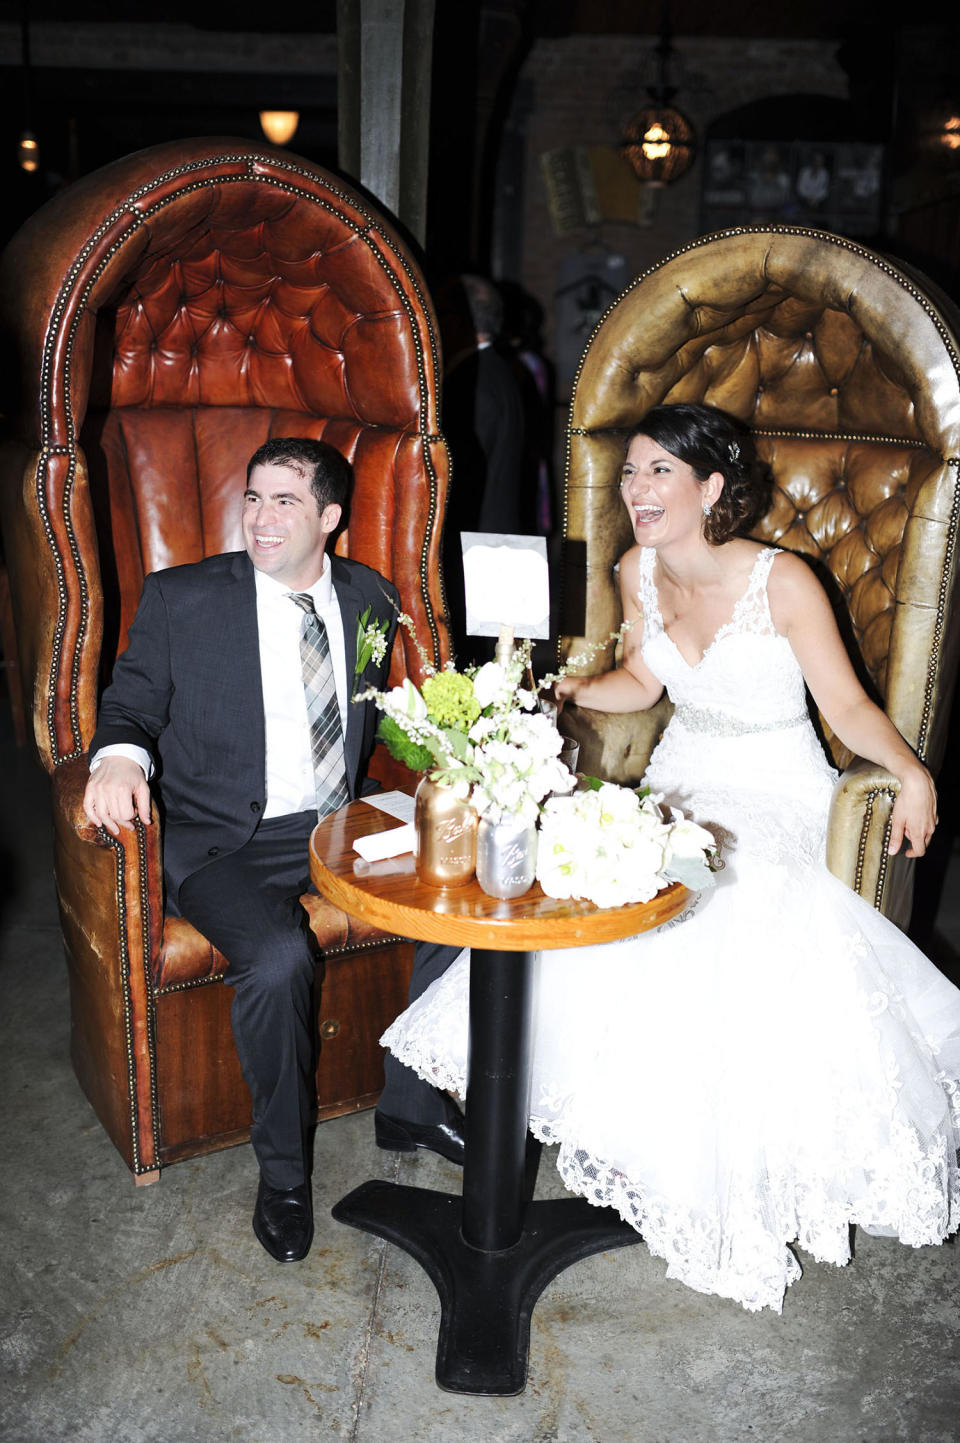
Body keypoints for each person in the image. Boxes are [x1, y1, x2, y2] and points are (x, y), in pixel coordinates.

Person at [381, 403, 960, 1313]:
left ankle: (713, 1175)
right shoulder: (632, 570)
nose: (636, 490)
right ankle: (628, 1136)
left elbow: (845, 710)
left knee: (721, 909)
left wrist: (912, 773)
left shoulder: (785, 581)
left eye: (659, 473)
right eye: (631, 474)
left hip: (775, 790)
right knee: (592, 892)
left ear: (711, 488)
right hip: (681, 778)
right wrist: (569, 686)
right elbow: (643, 683)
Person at [83, 436, 463, 1266]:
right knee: (281, 956)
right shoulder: (183, 597)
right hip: (225, 838)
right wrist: (117, 755)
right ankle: (284, 1177)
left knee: (458, 894)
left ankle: (409, 1100)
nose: (259, 516)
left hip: (336, 821)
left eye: (283, 501)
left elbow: (381, 703)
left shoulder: (368, 594)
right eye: (252, 497)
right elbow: (132, 702)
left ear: (328, 518)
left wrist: (454, 757)